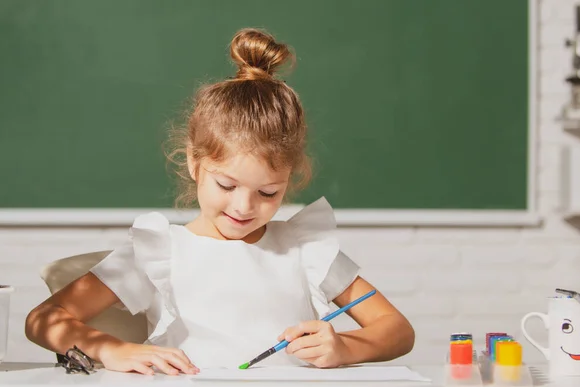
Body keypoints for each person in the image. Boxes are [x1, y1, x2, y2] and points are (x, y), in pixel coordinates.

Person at [25, 28, 415, 376]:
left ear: (290, 179)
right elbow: (43, 318)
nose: (244, 207)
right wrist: (111, 349)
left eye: (268, 193)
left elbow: (397, 330)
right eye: (226, 185)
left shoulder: (303, 248)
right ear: (195, 163)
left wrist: (344, 347)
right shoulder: (159, 251)